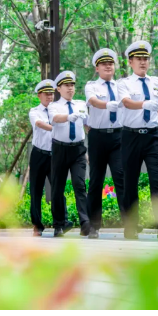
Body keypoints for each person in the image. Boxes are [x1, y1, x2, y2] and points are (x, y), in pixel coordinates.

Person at [117, 41, 158, 240]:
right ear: (130, 62)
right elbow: (127, 103)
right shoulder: (124, 83)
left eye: (146, 58)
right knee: (130, 182)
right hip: (131, 136)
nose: (143, 62)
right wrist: (144, 104)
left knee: (157, 179)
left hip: (152, 136)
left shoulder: (156, 82)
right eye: (139, 59)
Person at [84, 48, 126, 239]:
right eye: (104, 64)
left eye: (111, 63)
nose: (108, 66)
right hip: (98, 138)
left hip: (118, 137)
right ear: (97, 68)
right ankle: (94, 226)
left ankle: (130, 224)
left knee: (121, 178)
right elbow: (93, 101)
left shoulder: (121, 86)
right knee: (96, 181)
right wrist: (107, 104)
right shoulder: (92, 86)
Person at [48, 70, 91, 237]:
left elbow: (88, 125)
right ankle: (59, 225)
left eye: (72, 85)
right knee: (57, 188)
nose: (70, 88)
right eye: (66, 85)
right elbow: (55, 119)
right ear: (59, 89)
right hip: (60, 149)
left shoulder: (81, 104)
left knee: (79, 185)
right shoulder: (54, 106)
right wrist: (68, 116)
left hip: (78, 150)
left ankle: (85, 223)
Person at [28, 79, 55, 237]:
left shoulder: (57, 110)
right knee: (36, 190)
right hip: (38, 154)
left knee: (57, 188)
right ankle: (37, 225)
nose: (50, 96)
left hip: (54, 155)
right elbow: (39, 123)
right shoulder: (34, 111)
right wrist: (55, 128)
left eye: (51, 94)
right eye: (46, 94)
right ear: (39, 95)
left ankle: (61, 222)